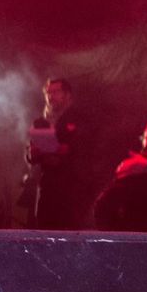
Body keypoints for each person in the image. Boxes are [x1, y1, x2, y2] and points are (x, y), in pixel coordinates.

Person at [28, 78, 92, 229]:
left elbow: (87, 148)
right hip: (47, 187)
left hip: (71, 188)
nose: (51, 96)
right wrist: (31, 154)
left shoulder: (80, 119)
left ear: (68, 95)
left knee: (67, 230)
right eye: (48, 93)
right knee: (44, 229)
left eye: (56, 92)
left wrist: (66, 152)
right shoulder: (41, 122)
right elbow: (31, 152)